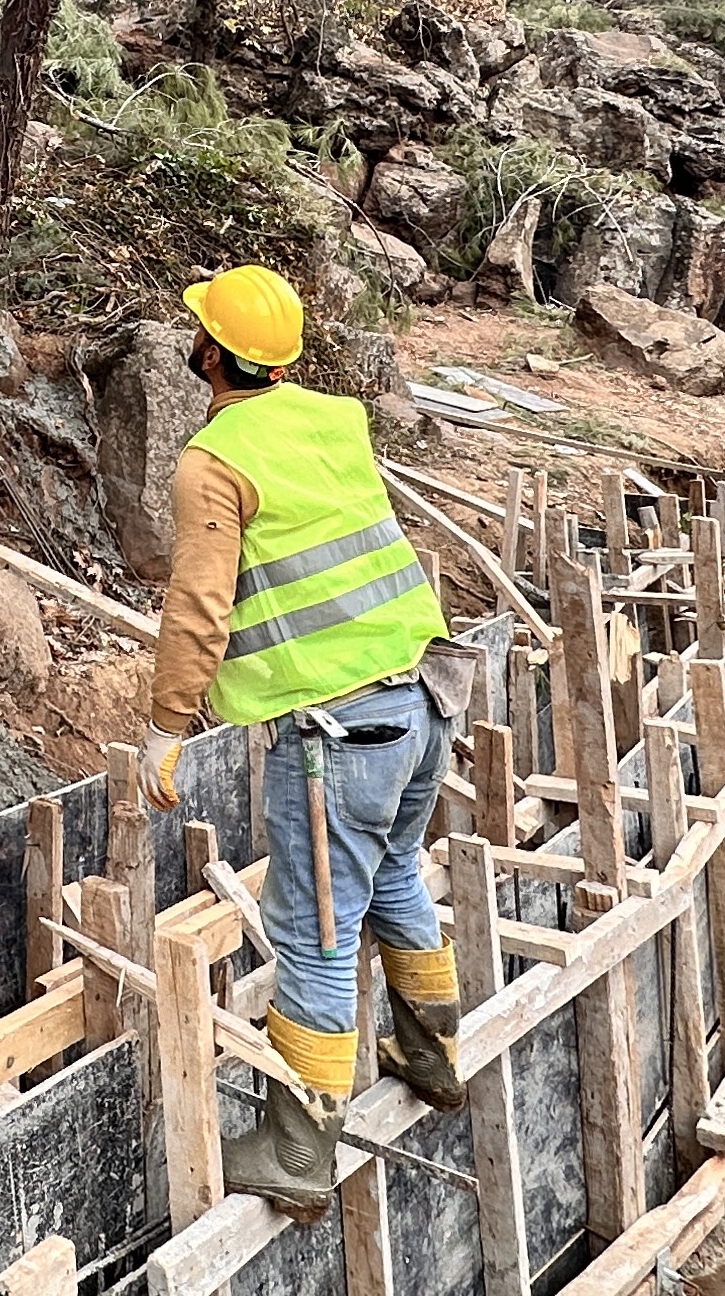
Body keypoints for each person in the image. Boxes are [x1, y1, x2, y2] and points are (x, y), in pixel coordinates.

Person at [139, 263, 467, 1217]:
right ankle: (432, 1056)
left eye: (196, 329)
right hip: (421, 703)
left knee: (315, 932)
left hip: (338, 734)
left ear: (210, 352)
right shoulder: (333, 421)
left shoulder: (217, 458)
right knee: (396, 874)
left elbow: (199, 604)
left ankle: (296, 1149)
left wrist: (167, 726)